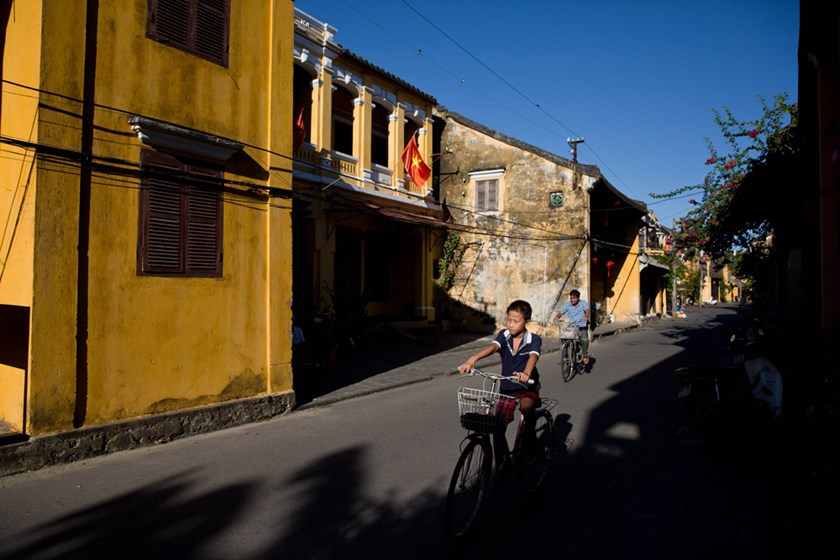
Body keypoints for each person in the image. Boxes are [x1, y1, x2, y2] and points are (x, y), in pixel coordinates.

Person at [457, 300, 542, 487]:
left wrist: (526, 373)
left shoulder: (534, 339)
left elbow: (533, 357)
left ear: (526, 322)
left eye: (515, 321)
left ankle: (528, 444)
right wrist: (473, 359)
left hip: (526, 388)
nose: (511, 324)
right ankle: (499, 465)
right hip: (507, 389)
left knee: (527, 408)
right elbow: (493, 347)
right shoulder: (504, 335)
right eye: (509, 320)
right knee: (497, 427)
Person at [555, 289, 590, 365]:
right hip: (572, 327)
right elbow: (561, 312)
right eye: (571, 298)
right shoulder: (568, 304)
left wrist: (586, 317)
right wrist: (557, 317)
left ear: (578, 298)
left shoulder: (583, 303)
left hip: (581, 326)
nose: (572, 300)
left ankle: (585, 355)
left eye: (574, 298)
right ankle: (565, 358)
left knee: (584, 340)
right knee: (563, 340)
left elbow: (587, 310)